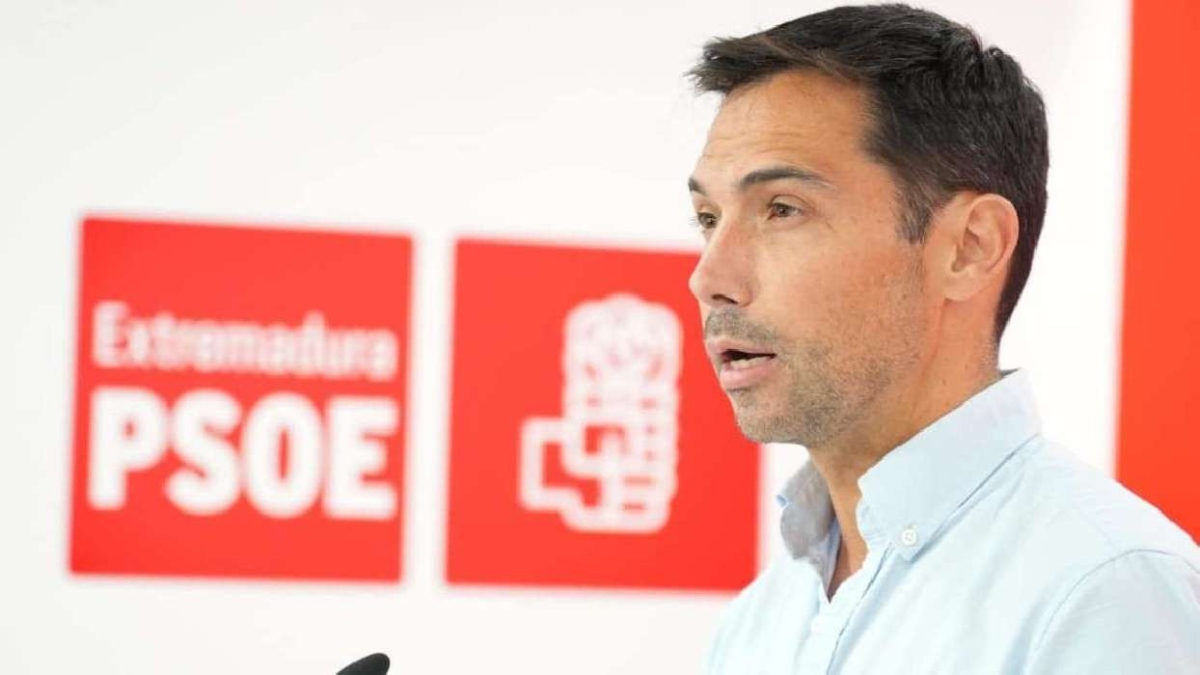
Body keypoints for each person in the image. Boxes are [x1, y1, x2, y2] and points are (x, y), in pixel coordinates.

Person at [684, 4, 1200, 673]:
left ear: (969, 246)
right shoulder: (761, 620)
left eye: (782, 209)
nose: (709, 278)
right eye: (708, 217)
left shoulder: (1106, 592)